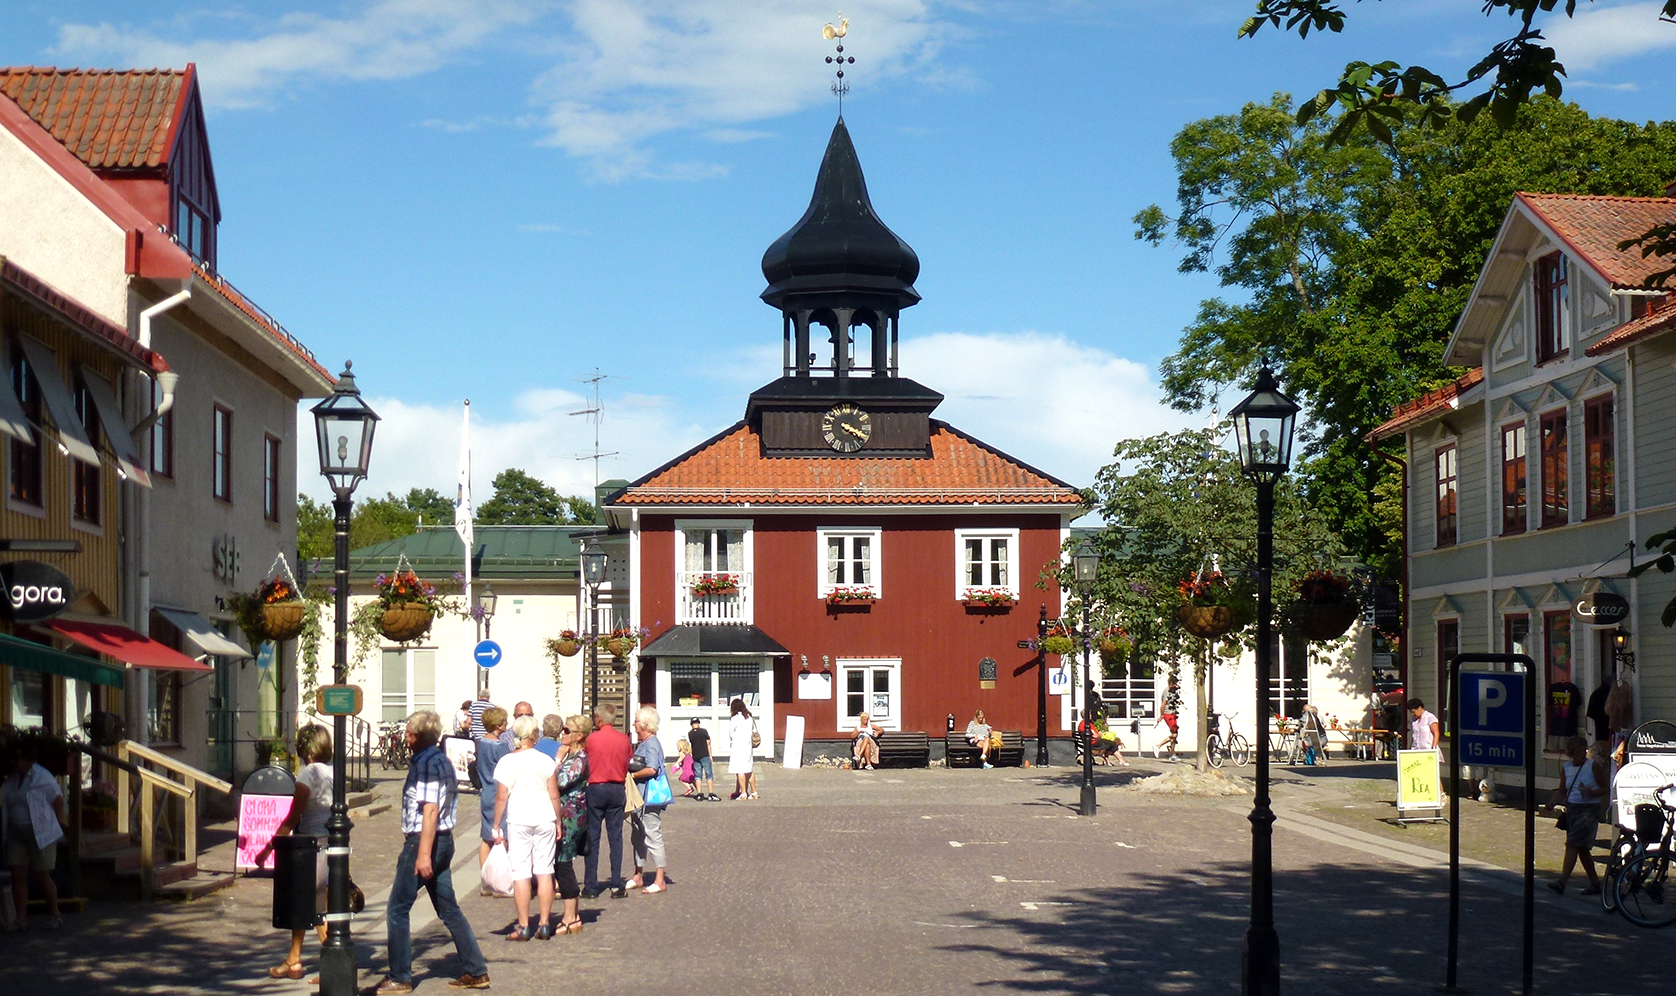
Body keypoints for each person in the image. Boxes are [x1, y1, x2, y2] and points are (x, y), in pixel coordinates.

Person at [363, 710, 489, 993]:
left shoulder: (427, 764)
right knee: (448, 908)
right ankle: (476, 969)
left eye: (410, 732)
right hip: (442, 840)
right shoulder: (440, 759)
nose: (406, 737)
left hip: (425, 840)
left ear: (420, 736)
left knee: (397, 908)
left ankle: (400, 976)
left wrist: (422, 854)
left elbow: (430, 810)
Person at [254, 725, 332, 978]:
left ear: (307, 747)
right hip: (329, 841)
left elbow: (293, 816)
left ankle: (333, 964)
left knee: (316, 904)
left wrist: (268, 848)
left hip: (310, 845)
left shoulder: (308, 773)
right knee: (305, 901)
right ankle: (294, 958)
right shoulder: (332, 772)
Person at [490, 715, 560, 941]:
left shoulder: (506, 761)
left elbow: (501, 797)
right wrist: (558, 821)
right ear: (534, 735)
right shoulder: (545, 760)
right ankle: (545, 923)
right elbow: (554, 794)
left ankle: (523, 925)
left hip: (519, 818)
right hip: (544, 817)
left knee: (520, 872)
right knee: (544, 869)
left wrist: (495, 824)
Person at [3, 742, 66, 932]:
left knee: (41, 875)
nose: (15, 763)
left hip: (40, 833)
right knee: (18, 875)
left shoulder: (43, 778)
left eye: (19, 759)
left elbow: (58, 801)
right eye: (13, 759)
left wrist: (55, 827)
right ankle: (21, 919)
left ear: (28, 760)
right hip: (16, 833)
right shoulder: (12, 779)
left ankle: (55, 913)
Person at [582, 703, 632, 899]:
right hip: (617, 788)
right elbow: (628, 761)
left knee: (593, 837)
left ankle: (590, 885)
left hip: (596, 788)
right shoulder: (623, 739)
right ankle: (616, 884)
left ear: (599, 720)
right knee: (615, 837)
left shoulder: (591, 739)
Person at [1549, 736, 1608, 896]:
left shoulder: (1592, 766)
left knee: (1572, 844)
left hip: (1588, 809)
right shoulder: (1566, 767)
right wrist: (1552, 803)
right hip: (1573, 809)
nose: (1583, 754)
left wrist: (1592, 792)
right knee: (1581, 849)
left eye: (1584, 750)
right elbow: (1562, 790)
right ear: (1572, 753)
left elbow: (1605, 788)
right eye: (1579, 751)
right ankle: (1595, 883)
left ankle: (1562, 882)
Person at [551, 714, 591, 935]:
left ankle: (570, 917)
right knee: (561, 863)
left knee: (563, 862)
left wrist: (557, 760)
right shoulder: (572, 756)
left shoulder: (579, 759)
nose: (562, 733)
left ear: (579, 735)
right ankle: (573, 915)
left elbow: (557, 782)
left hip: (570, 817)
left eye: (567, 730)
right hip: (566, 814)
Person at [628, 706, 671, 894]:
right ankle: (638, 875)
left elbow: (652, 768)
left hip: (649, 798)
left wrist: (632, 776)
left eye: (637, 721)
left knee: (653, 836)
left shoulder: (651, 743)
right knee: (637, 836)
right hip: (639, 798)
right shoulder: (644, 743)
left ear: (645, 724)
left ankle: (660, 879)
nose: (634, 724)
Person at [474, 707, 511, 894]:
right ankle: (499, 881)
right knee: (501, 835)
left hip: (486, 791)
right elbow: (509, 768)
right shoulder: (500, 746)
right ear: (498, 724)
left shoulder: (480, 742)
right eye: (504, 721)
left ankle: (485, 881)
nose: (507, 723)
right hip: (499, 793)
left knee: (486, 837)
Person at [728, 699, 757, 797]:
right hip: (748, 746)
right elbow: (754, 730)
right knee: (749, 769)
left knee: (739, 770)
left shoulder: (735, 718)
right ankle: (754, 792)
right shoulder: (749, 718)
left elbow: (731, 733)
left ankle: (743, 793)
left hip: (738, 746)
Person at [687, 718, 717, 801]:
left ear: (691, 725)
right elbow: (708, 743)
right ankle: (711, 793)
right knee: (709, 775)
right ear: (699, 724)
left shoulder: (690, 733)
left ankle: (699, 793)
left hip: (696, 756)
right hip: (705, 755)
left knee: (698, 775)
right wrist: (710, 755)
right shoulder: (704, 731)